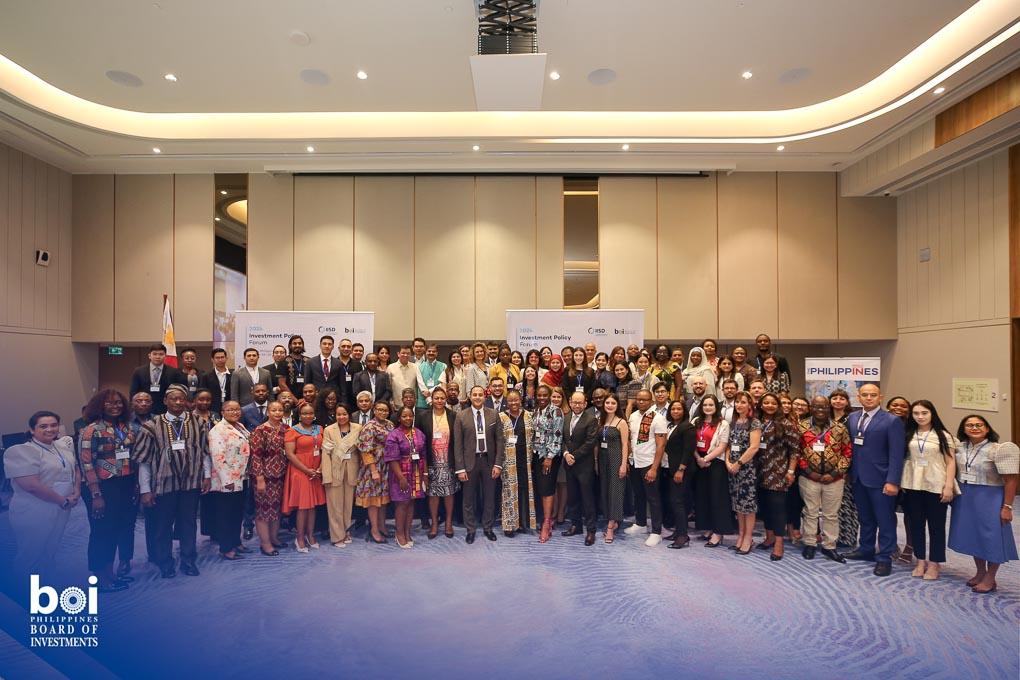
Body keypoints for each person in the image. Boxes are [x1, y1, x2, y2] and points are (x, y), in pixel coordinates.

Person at [132, 384, 211, 578]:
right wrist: (145, 489)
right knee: (162, 525)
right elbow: (144, 461)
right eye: (173, 398)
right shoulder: (151, 426)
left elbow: (205, 453)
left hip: (191, 483)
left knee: (189, 523)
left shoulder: (198, 423)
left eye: (181, 398)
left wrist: (207, 476)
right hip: (163, 485)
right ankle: (164, 561)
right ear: (165, 401)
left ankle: (188, 560)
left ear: (186, 401)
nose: (177, 402)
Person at [4, 411, 79, 579]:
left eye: (53, 425)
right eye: (43, 426)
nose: (50, 429)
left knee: (51, 548)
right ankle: (25, 592)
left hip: (62, 507)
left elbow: (75, 469)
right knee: (31, 553)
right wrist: (63, 501)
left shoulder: (61, 446)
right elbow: (31, 486)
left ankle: (44, 584)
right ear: (32, 430)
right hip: (34, 510)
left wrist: (76, 492)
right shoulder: (20, 451)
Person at [949, 415, 1018, 594]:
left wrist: (1007, 507)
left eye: (979, 425)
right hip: (965, 497)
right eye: (969, 425)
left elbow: (1011, 480)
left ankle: (990, 577)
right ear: (963, 429)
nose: (974, 428)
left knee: (991, 537)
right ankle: (980, 572)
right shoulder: (959, 448)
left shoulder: (998, 449)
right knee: (973, 536)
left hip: (990, 497)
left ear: (987, 429)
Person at [843, 384, 906, 577]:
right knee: (865, 518)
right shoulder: (853, 418)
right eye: (865, 395)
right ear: (858, 397)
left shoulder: (891, 420)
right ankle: (866, 549)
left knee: (885, 519)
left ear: (880, 397)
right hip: (859, 478)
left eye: (873, 395)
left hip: (882, 479)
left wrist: (893, 481)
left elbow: (897, 454)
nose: (869, 398)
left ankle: (885, 557)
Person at [77, 390, 136, 592]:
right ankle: (99, 579)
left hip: (124, 484)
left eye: (119, 403)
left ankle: (110, 574)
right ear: (99, 406)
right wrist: (96, 495)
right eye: (110, 403)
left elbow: (129, 456)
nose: (116, 406)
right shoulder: (91, 430)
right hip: (102, 487)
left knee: (116, 529)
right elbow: (86, 464)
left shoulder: (125, 428)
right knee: (101, 532)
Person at [901, 400, 958, 581]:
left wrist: (948, 485)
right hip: (912, 484)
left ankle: (934, 563)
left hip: (936, 484)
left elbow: (950, 462)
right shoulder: (908, 434)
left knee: (936, 526)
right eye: (916, 413)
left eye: (924, 413)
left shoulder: (943, 435)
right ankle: (920, 561)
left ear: (932, 413)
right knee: (916, 524)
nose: (920, 416)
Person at [797, 396, 852, 563]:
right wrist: (808, 471)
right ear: (811, 408)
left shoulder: (840, 428)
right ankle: (810, 543)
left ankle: (829, 546)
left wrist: (835, 473)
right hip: (809, 478)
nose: (820, 410)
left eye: (824, 407)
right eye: (817, 407)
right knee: (810, 512)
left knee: (831, 514)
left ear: (829, 408)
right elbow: (796, 452)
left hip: (834, 479)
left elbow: (847, 452)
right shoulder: (801, 426)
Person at [453, 385, 505, 544]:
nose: (477, 397)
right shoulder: (461, 416)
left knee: (489, 497)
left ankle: (488, 528)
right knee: (468, 498)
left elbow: (500, 441)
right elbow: (458, 445)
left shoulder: (494, 414)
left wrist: (498, 464)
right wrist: (460, 468)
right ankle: (471, 529)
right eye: (474, 394)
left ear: (485, 397)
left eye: (480, 395)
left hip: (488, 462)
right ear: (469, 396)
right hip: (469, 462)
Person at [755, 393, 801, 561]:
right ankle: (769, 537)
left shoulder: (786, 424)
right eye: (765, 402)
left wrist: (790, 471)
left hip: (778, 472)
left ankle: (779, 543)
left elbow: (795, 450)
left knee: (778, 509)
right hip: (758, 471)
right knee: (765, 507)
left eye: (773, 403)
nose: (769, 405)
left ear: (778, 406)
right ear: (760, 405)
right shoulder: (757, 422)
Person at [206, 401, 251, 560]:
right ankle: (226, 548)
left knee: (237, 513)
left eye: (237, 409)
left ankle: (235, 542)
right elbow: (218, 457)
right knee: (226, 515)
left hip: (242, 477)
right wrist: (227, 480)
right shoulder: (217, 430)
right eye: (230, 409)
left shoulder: (239, 426)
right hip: (227, 481)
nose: (234, 412)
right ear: (222, 411)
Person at [624, 389, 669, 547]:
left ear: (651, 401)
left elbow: (661, 445)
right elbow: (631, 439)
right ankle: (641, 523)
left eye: (645, 400)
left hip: (649, 463)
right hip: (635, 461)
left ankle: (656, 532)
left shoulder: (658, 418)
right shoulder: (633, 416)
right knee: (638, 494)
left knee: (653, 498)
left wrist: (654, 468)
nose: (641, 402)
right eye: (639, 399)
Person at [282, 403, 326, 552]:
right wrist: (307, 470)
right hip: (300, 470)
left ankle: (310, 535)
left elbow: (323, 450)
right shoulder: (292, 431)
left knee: (312, 506)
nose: (308, 416)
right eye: (305, 413)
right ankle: (299, 538)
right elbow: (290, 454)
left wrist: (319, 468)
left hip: (316, 471)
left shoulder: (319, 429)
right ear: (299, 415)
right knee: (303, 507)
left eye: (311, 413)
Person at [417, 386, 458, 539]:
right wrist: (424, 467)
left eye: (442, 398)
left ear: (445, 399)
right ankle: (434, 523)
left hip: (449, 462)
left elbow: (457, 441)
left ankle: (448, 523)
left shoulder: (453, 415)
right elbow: (420, 443)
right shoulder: (423, 416)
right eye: (436, 398)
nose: (439, 401)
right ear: (432, 399)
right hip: (431, 463)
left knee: (449, 493)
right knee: (433, 494)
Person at [691, 395, 733, 546]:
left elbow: (722, 446)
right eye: (705, 405)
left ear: (716, 407)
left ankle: (718, 531)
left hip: (715, 462)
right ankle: (707, 527)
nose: (708, 407)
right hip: (699, 461)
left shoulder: (723, 424)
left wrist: (706, 459)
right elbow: (691, 443)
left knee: (717, 498)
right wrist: (698, 459)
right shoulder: (696, 422)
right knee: (702, 496)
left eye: (711, 405)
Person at [383, 407, 428, 548]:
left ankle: (408, 532)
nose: (408, 419)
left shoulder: (419, 433)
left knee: (411, 503)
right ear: (399, 418)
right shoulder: (394, 435)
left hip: (416, 472)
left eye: (410, 416)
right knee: (401, 504)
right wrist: (401, 478)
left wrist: (425, 474)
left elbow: (424, 455)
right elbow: (391, 458)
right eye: (404, 416)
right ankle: (399, 533)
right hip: (400, 473)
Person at [249, 401, 289, 556]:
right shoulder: (260, 430)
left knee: (276, 509)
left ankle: (274, 538)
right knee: (263, 511)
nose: (277, 413)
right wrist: (259, 478)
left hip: (281, 475)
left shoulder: (286, 429)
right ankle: (265, 544)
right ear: (268, 412)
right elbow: (256, 457)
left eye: (280, 410)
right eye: (274, 410)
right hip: (265, 477)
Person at [560, 391, 599, 545]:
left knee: (587, 499)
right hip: (568, 464)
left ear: (585, 403)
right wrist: (565, 454)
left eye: (579, 402)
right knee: (573, 497)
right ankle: (576, 526)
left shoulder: (591, 419)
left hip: (584, 466)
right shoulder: (566, 417)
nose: (576, 405)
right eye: (574, 402)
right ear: (570, 402)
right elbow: (562, 438)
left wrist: (573, 456)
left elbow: (590, 443)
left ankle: (591, 531)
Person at [321, 404, 362, 547]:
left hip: (352, 469)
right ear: (335, 415)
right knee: (335, 506)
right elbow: (326, 454)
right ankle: (337, 536)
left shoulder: (358, 428)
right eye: (339, 414)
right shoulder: (329, 430)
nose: (341, 417)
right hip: (334, 471)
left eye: (344, 414)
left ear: (349, 415)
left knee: (348, 505)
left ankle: (346, 531)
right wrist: (326, 476)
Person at [726, 392, 761, 554]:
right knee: (738, 504)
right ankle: (740, 535)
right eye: (737, 402)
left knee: (748, 506)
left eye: (743, 402)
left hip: (747, 470)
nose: (739, 405)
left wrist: (739, 463)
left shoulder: (754, 423)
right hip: (732, 469)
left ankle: (748, 537)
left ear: (749, 405)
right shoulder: (732, 422)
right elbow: (727, 445)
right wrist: (728, 462)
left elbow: (754, 447)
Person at [355, 401, 394, 543]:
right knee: (373, 500)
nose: (382, 412)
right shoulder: (369, 426)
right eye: (379, 410)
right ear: (374, 410)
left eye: (385, 410)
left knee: (383, 499)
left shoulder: (389, 424)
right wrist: (373, 470)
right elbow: (365, 450)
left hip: (386, 466)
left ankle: (382, 526)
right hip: (373, 468)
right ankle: (374, 530)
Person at [500, 390, 536, 536]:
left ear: (520, 400)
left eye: (516, 400)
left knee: (523, 491)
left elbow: (534, 437)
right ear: (506, 402)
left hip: (525, 460)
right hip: (508, 462)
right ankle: (509, 525)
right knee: (509, 493)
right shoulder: (501, 417)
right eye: (510, 401)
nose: (513, 403)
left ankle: (522, 523)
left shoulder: (529, 415)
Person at [532, 385, 564, 543]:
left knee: (547, 489)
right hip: (536, 455)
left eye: (545, 395)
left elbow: (557, 437)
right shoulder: (536, 411)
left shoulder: (556, 411)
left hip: (549, 458)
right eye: (539, 395)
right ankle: (545, 518)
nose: (542, 398)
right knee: (541, 488)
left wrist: (549, 457)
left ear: (550, 395)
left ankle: (547, 523)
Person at [597, 393, 629, 544]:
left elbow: (625, 445)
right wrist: (596, 461)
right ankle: (612, 520)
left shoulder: (621, 422)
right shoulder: (601, 421)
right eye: (607, 402)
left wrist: (623, 464)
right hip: (603, 460)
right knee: (604, 490)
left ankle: (610, 527)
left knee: (615, 491)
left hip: (616, 459)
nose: (610, 405)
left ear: (617, 406)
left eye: (613, 403)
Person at [663, 400, 695, 549]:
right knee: (674, 501)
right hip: (671, 468)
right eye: (673, 409)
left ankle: (683, 536)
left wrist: (681, 469)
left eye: (679, 409)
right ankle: (678, 531)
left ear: (684, 411)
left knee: (678, 502)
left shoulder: (687, 427)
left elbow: (688, 450)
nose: (675, 411)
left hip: (682, 470)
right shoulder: (671, 426)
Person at [129, 344, 184, 414]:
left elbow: (177, 391)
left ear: (165, 356)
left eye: (161, 354)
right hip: (144, 408)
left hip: (166, 409)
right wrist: (132, 408)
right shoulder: (139, 371)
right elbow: (133, 391)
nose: (158, 357)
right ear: (149, 356)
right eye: (154, 354)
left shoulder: (174, 372)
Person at [387, 345, 422, 411]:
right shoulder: (391, 367)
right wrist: (391, 402)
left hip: (412, 406)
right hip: (396, 406)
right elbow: (388, 387)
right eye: (403, 353)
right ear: (398, 354)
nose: (405, 355)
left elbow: (419, 385)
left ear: (411, 355)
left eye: (408, 353)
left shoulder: (415, 367)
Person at [200, 348, 232, 414]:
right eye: (217, 358)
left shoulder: (233, 374)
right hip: (212, 408)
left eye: (222, 357)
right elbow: (203, 393)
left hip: (229, 407)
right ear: (212, 360)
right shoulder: (206, 376)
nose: (220, 360)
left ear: (226, 358)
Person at [335, 338, 363, 410]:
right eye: (343, 346)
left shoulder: (357, 365)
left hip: (353, 401)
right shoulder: (333, 363)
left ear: (351, 349)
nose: (346, 348)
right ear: (339, 348)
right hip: (337, 400)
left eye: (348, 347)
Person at [416, 343, 447, 410]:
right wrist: (426, 393)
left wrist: (430, 391)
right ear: (425, 352)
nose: (431, 353)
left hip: (439, 401)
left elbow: (443, 383)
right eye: (429, 351)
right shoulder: (419, 367)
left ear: (437, 353)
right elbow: (420, 382)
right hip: (423, 401)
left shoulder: (443, 366)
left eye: (434, 351)